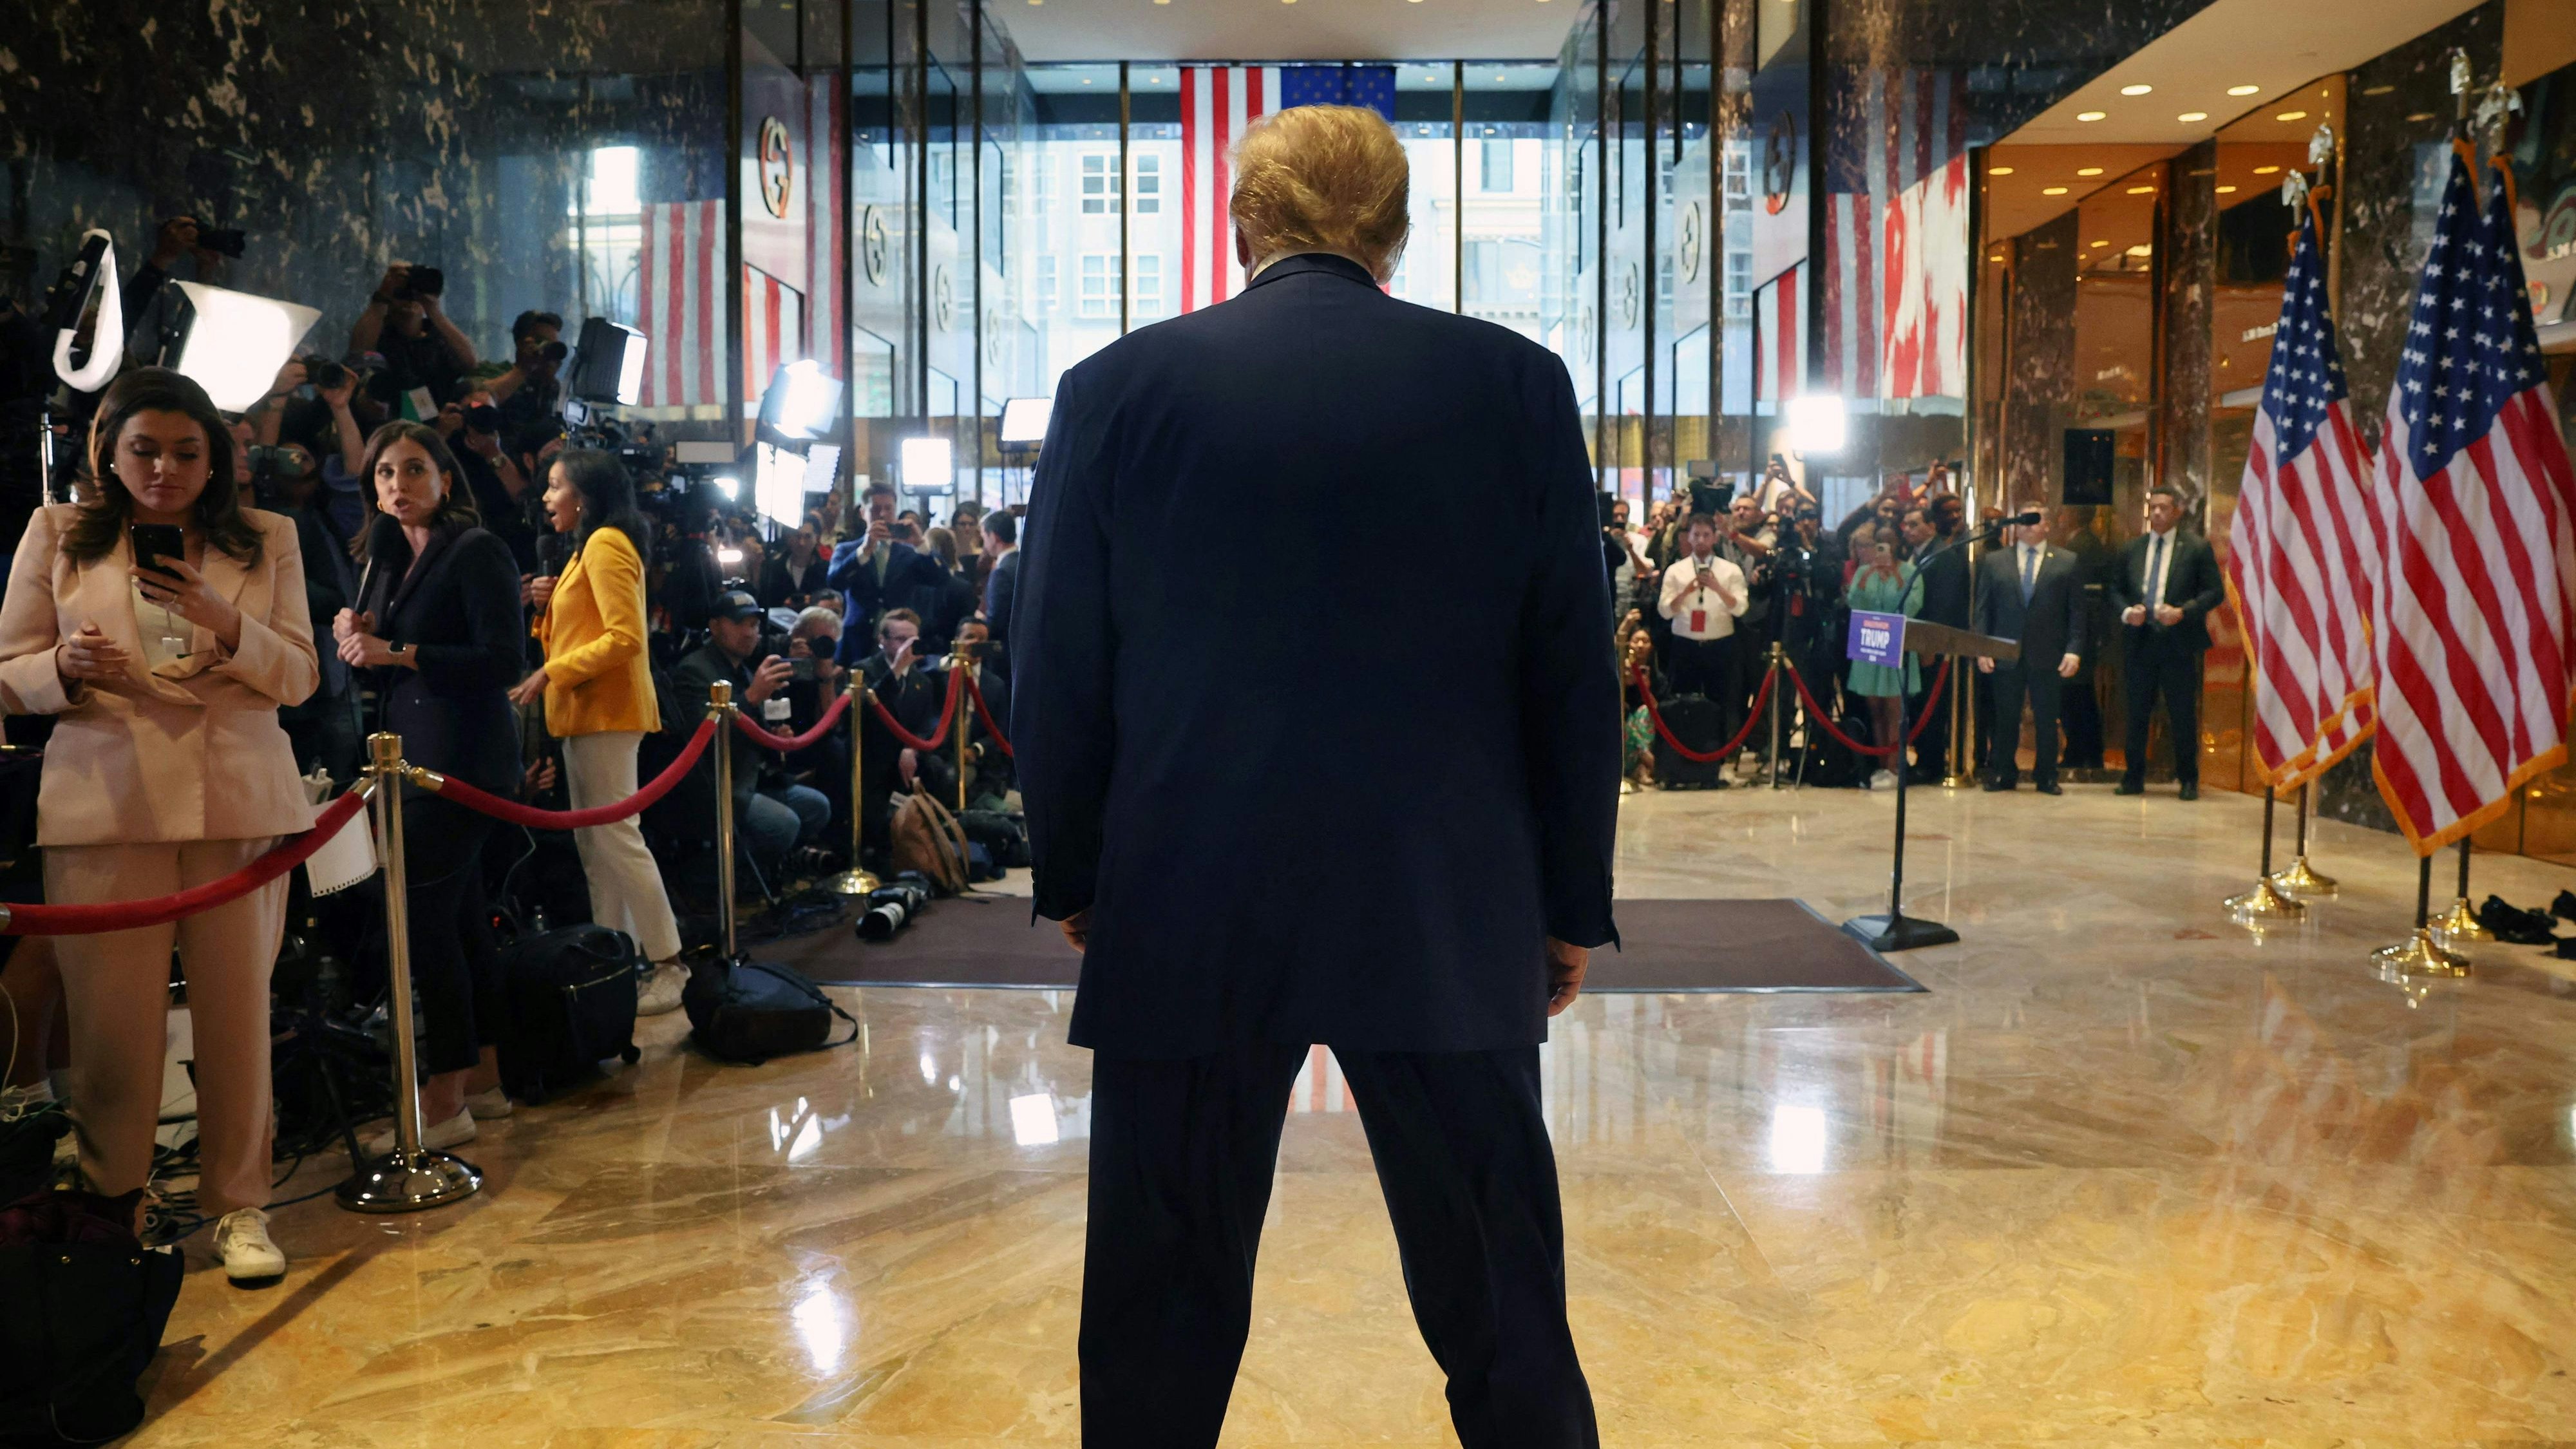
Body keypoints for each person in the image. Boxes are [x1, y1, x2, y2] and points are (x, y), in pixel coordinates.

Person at [1014, 103, 1616, 1448]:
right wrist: (1567, 898)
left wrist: (1075, 870)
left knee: (1156, 1309)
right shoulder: (1514, 386)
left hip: (1186, 891)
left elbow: (1054, 661)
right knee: (1500, 1297)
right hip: (1442, 899)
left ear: (1240, 224)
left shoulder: (1113, 390)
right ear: (1398, 231)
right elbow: (1571, 670)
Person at [0, 368, 319, 1283]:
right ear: (108, 450)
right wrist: (59, 664)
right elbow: (7, 665)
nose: (165, 469)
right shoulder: (58, 534)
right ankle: (113, 1202)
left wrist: (229, 628)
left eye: (187, 451)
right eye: (144, 448)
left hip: (237, 796)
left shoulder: (267, 537)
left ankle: (239, 1204)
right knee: (111, 1023)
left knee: (235, 1014)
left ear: (217, 456)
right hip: (105, 797)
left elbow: (300, 675)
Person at [333, 421, 524, 1150]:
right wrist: (357, 643)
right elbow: (376, 666)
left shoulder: (476, 551)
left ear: (445, 480)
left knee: (422, 921)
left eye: (414, 471)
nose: (398, 487)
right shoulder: (383, 560)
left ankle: (444, 1100)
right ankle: (484, 1080)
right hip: (410, 757)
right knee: (464, 920)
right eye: (384, 475)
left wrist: (399, 650)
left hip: (464, 762)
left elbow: (502, 660)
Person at [511, 449, 690, 1015]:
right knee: (597, 844)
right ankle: (614, 960)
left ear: (584, 495)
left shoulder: (606, 543)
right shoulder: (586, 548)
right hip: (589, 714)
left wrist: (550, 671)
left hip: (607, 713)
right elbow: (586, 628)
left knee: (615, 838)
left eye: (556, 486)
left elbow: (625, 636)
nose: (546, 497)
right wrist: (544, 611)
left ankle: (669, 963)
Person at [676, 589, 832, 875]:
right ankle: (722, 879)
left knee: (817, 807)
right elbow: (702, 739)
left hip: (755, 776)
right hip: (719, 785)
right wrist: (752, 697)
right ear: (716, 625)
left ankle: (771, 870)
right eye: (741, 624)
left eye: (755, 625)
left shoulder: (743, 670)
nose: (751, 633)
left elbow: (754, 733)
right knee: (784, 824)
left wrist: (776, 740)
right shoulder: (694, 670)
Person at [2109, 486, 2221, 798]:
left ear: (2177, 511)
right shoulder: (2132, 549)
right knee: (2136, 712)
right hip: (2140, 642)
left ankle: (2187, 779)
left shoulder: (2196, 548)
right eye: (2153, 507)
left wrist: (2184, 612)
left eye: (2164, 507)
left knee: (2182, 713)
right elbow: (2114, 590)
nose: (2157, 513)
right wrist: (2127, 612)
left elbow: (2215, 592)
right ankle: (2133, 778)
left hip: (2178, 644)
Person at [1973, 507, 2086, 794]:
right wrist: (1982, 647)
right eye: (2023, 520)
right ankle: (2002, 772)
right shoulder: (1995, 561)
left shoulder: (2067, 561)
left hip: (2048, 652)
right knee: (2005, 716)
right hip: (2005, 651)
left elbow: (2077, 613)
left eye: (2035, 520)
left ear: (2047, 525)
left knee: (2047, 718)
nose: (2028, 526)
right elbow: (1983, 609)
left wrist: (2074, 650)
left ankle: (2047, 775)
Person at [1844, 535, 1923, 790]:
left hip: (1897, 645)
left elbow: (1912, 605)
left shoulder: (1911, 571)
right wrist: (1869, 576)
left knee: (1895, 711)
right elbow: (1854, 601)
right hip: (1869, 642)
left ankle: (1895, 767)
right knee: (1876, 710)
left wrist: (1896, 576)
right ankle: (1880, 765)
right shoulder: (1864, 572)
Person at [826, 481, 943, 649]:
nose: (882, 514)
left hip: (901, 638)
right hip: (858, 637)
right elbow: (834, 582)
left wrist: (921, 545)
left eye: (889, 509)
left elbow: (941, 579)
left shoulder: (910, 552)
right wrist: (864, 552)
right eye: (875, 509)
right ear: (862, 513)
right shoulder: (847, 550)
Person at [350, 263, 478, 413]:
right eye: (402, 291)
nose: (409, 299)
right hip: (390, 421)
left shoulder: (439, 336)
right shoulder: (379, 333)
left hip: (439, 422)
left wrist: (432, 309)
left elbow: (470, 362)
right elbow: (359, 354)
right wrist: (383, 296)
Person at [1905, 500, 1971, 783]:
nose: (1907, 530)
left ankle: (1930, 763)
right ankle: (1922, 757)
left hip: (1933, 645)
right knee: (1919, 703)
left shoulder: (1942, 556)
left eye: (1914, 524)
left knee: (1932, 705)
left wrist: (1930, 645)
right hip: (1915, 641)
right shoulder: (1919, 554)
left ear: (1932, 527)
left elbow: (1944, 606)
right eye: (1905, 525)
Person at [1656, 512, 1748, 704]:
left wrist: (1718, 588)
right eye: (1696, 534)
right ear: (1688, 537)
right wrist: (1686, 591)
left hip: (1720, 646)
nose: (1701, 540)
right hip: (1685, 646)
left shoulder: (1731, 571)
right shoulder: (1676, 570)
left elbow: (1740, 609)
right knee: (1682, 704)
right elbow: (1665, 611)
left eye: (1706, 535)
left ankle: (1720, 735)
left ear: (1715, 538)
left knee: (1721, 702)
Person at [759, 520, 831, 607]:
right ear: (789, 538)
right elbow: (764, 601)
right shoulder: (773, 568)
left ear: (817, 539)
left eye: (808, 537)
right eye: (797, 536)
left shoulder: (826, 570)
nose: (802, 543)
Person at [980, 509, 1020, 643]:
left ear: (994, 537)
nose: (984, 544)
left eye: (984, 537)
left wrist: (981, 621)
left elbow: (996, 622)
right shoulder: (1025, 563)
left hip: (1006, 650)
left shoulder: (1001, 572)